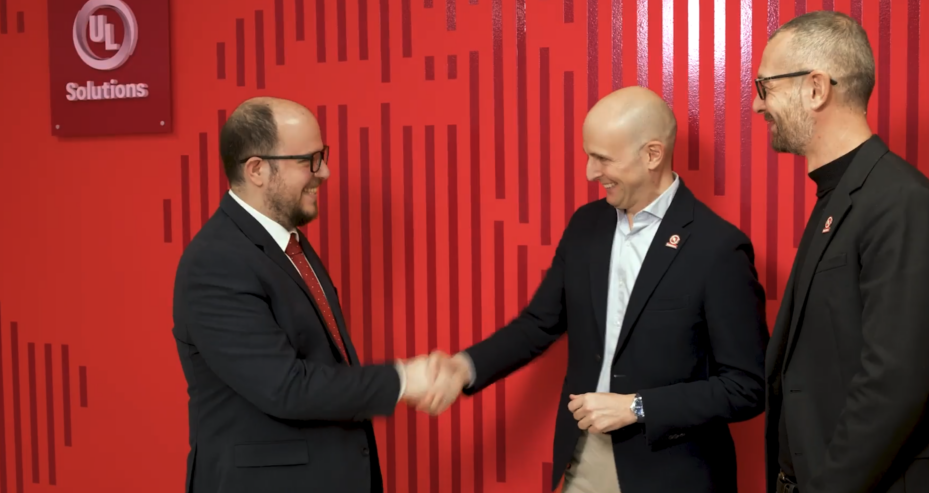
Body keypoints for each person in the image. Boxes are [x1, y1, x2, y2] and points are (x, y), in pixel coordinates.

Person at [420, 86, 769, 492]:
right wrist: (465, 367)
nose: (590, 172)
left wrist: (638, 407)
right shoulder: (585, 226)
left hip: (674, 472)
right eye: (589, 156)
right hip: (584, 459)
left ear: (652, 155)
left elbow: (748, 387)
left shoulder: (718, 248)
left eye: (603, 159)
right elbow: (538, 324)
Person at [171, 97, 447, 493]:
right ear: (257, 169)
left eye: (323, 157)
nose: (325, 172)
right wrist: (403, 380)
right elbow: (285, 387)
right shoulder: (215, 262)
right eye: (309, 161)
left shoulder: (289, 244)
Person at [754, 10, 929, 493]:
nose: (758, 105)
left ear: (816, 88)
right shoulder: (841, 196)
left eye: (765, 86)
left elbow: (893, 387)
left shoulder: (902, 202)